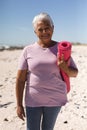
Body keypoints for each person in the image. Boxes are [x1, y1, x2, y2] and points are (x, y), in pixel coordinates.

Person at [16, 12, 78, 130]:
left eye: (47, 28)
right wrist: (19, 104)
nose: (44, 32)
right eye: (40, 29)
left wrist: (65, 68)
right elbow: (20, 79)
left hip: (55, 99)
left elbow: (75, 73)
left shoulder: (61, 48)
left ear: (52, 28)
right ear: (35, 32)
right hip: (33, 100)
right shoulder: (27, 50)